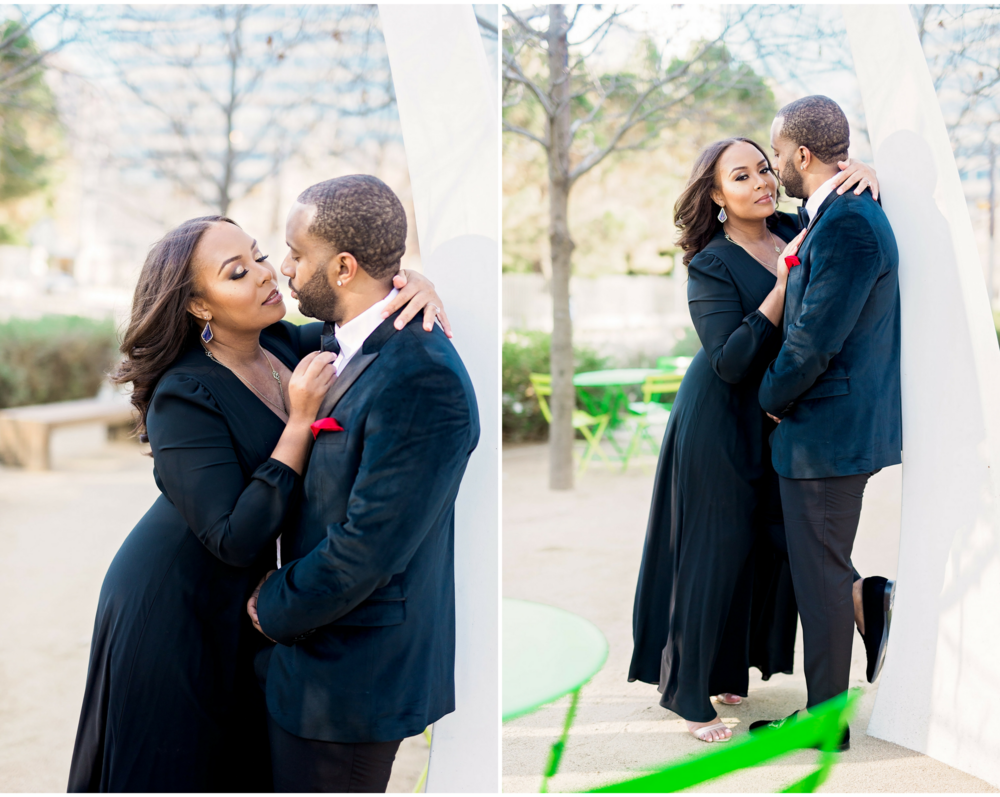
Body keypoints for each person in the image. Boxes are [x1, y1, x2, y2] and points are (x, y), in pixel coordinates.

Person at [68, 213, 448, 792]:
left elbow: (359, 323)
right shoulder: (183, 393)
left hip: (242, 605)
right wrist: (297, 425)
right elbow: (232, 536)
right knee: (179, 766)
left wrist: (412, 285)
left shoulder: (284, 344)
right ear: (200, 307)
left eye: (260, 255)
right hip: (173, 602)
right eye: (237, 272)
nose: (267, 275)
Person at [629, 137, 887, 743]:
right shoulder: (711, 264)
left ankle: (740, 662)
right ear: (716, 196)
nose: (761, 182)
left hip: (780, 415)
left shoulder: (803, 223)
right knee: (713, 553)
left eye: (764, 169)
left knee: (777, 540)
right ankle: (690, 697)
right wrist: (778, 287)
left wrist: (869, 172)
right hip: (719, 420)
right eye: (740, 177)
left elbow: (845, 213)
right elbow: (728, 362)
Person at [246, 175, 479, 793]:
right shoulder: (342, 338)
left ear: (345, 267)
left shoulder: (423, 376)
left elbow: (367, 546)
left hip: (354, 682)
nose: (286, 269)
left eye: (297, 254)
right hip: (317, 664)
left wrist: (272, 607)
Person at [751, 96, 901, 751]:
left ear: (803, 156)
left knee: (819, 576)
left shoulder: (849, 223)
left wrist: (771, 396)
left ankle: (826, 723)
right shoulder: (840, 212)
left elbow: (814, 340)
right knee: (818, 568)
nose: (774, 164)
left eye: (777, 153)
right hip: (828, 432)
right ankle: (868, 599)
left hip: (827, 431)